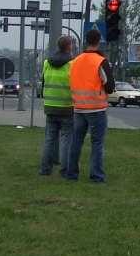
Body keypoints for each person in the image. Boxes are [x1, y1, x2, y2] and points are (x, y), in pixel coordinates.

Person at [66, 29, 115, 182]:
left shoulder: (75, 61)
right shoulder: (100, 61)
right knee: (97, 143)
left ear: (86, 41)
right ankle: (96, 176)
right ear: (98, 41)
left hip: (79, 107)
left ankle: (71, 174)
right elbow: (109, 85)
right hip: (96, 108)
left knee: (76, 142)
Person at [39, 35, 73, 176]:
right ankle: (64, 170)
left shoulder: (47, 62)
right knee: (66, 140)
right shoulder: (72, 64)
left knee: (49, 139)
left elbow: (43, 82)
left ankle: (45, 169)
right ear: (69, 46)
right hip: (66, 106)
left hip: (50, 106)